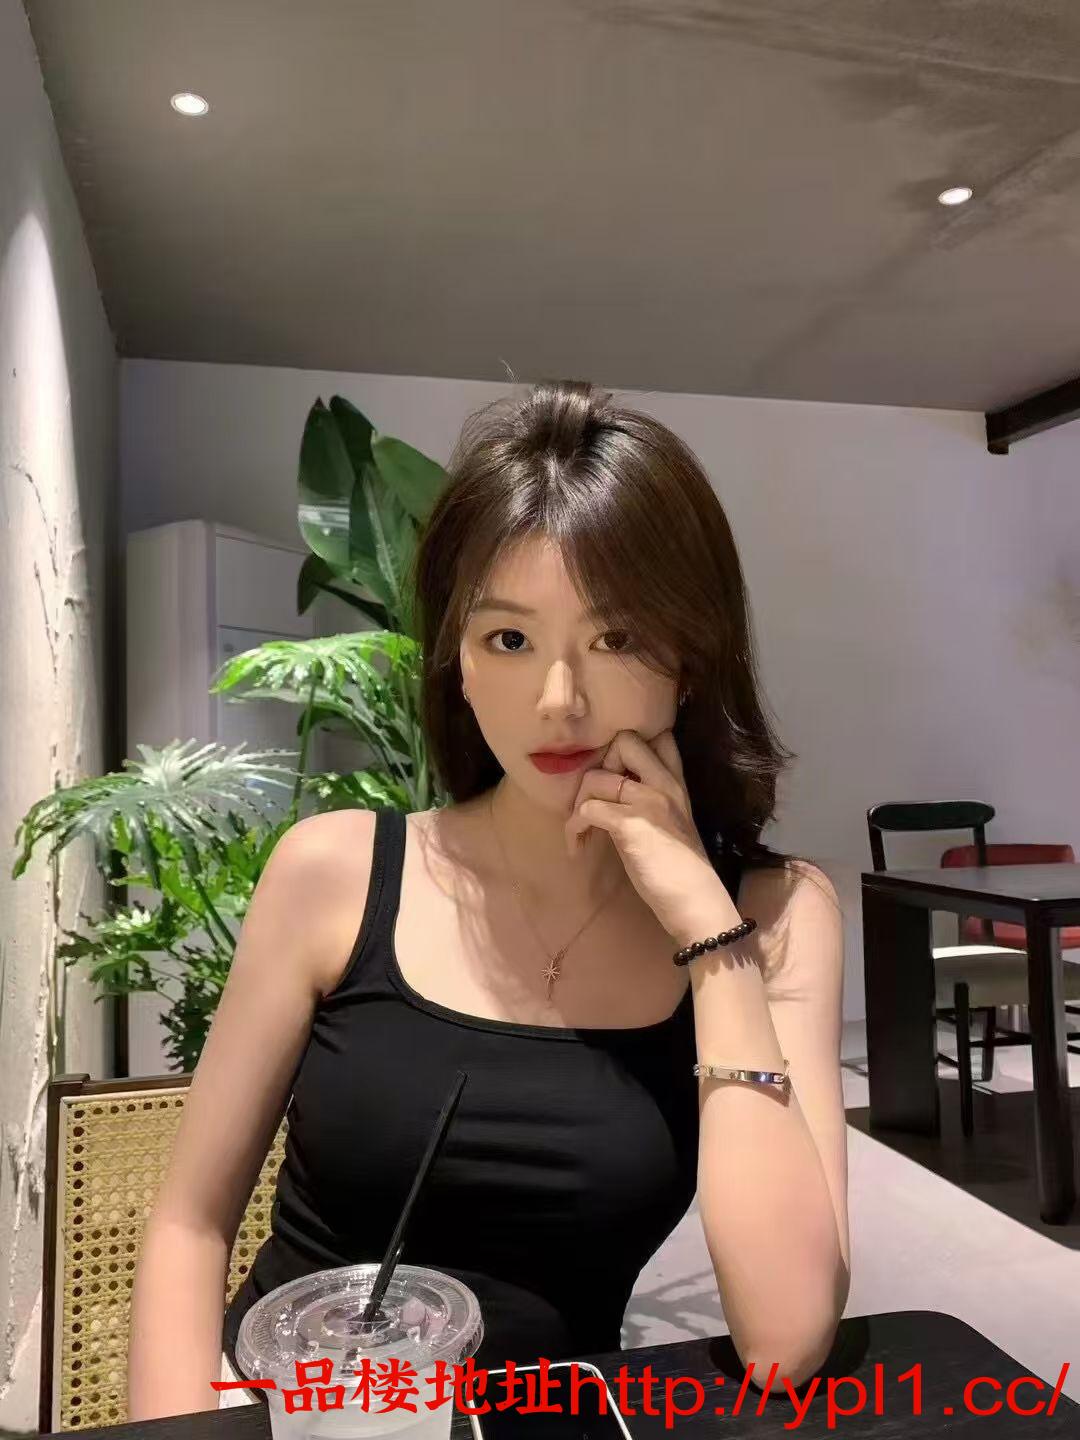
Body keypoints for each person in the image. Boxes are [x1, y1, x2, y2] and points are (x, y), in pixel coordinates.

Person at [126, 378, 850, 1419]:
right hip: (307, 1413)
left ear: (689, 663)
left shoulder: (776, 919)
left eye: (617, 639)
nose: (559, 700)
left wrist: (708, 933)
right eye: (509, 640)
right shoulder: (335, 873)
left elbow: (784, 1342)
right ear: (458, 663)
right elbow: (189, 1227)